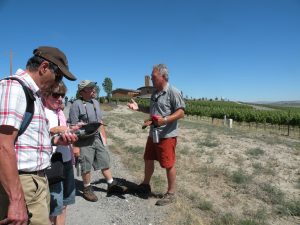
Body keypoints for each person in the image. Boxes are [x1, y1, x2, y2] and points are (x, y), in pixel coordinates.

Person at [0, 46, 78, 225]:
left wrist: (57, 140)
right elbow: (3, 145)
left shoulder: (32, 95)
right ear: (44, 67)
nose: (57, 83)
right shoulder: (14, 88)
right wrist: (17, 200)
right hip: (23, 182)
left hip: (36, 181)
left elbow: (27, 139)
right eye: (58, 76)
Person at [127, 64, 185, 206]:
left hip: (167, 135)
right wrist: (138, 107)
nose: (152, 79)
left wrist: (164, 120)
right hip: (153, 134)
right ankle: (145, 186)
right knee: (148, 159)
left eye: (154, 76)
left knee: (168, 164)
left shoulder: (173, 92)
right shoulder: (155, 93)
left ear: (163, 77)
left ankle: (171, 193)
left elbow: (181, 112)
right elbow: (152, 111)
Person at [69, 80, 126, 202]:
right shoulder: (76, 105)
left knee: (104, 159)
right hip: (83, 139)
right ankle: (87, 188)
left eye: (94, 88)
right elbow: (72, 127)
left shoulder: (95, 102)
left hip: (96, 137)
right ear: (82, 91)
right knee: (85, 164)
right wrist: (76, 147)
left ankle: (111, 184)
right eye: (91, 88)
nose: (94, 90)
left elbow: (100, 122)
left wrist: (104, 137)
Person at [42, 81, 76, 225]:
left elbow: (65, 130)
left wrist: (74, 130)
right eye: (56, 95)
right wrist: (56, 129)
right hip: (52, 164)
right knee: (52, 208)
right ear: (45, 94)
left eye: (62, 95)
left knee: (64, 204)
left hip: (67, 161)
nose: (60, 99)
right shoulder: (41, 110)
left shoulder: (60, 112)